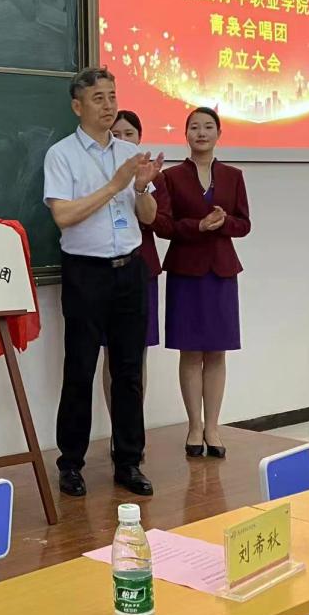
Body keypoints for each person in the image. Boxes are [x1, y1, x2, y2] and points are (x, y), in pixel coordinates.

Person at [43, 67, 163, 497]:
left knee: (129, 372)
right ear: (78, 106)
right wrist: (115, 185)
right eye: (98, 98)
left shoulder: (129, 152)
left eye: (112, 96)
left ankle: (128, 461)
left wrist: (142, 189)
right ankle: (70, 464)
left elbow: (149, 218)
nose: (109, 105)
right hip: (86, 273)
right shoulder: (61, 155)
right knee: (80, 369)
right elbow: (63, 215)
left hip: (130, 269)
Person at [157, 107, 250, 459]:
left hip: (221, 272)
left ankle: (213, 427)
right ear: (185, 134)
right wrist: (196, 226)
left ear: (219, 133)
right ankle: (194, 426)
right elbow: (164, 226)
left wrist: (224, 223)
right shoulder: (170, 177)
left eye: (208, 127)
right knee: (190, 351)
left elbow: (244, 224)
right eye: (194, 127)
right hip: (186, 272)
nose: (201, 132)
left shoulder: (233, 176)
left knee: (217, 352)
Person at [101, 110, 163, 412]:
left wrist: (141, 186)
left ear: (140, 138)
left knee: (138, 353)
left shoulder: (151, 175)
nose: (123, 140)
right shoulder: (97, 172)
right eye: (116, 135)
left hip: (141, 269)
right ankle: (117, 427)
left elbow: (151, 219)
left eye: (129, 134)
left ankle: (133, 426)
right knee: (110, 353)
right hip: (104, 269)